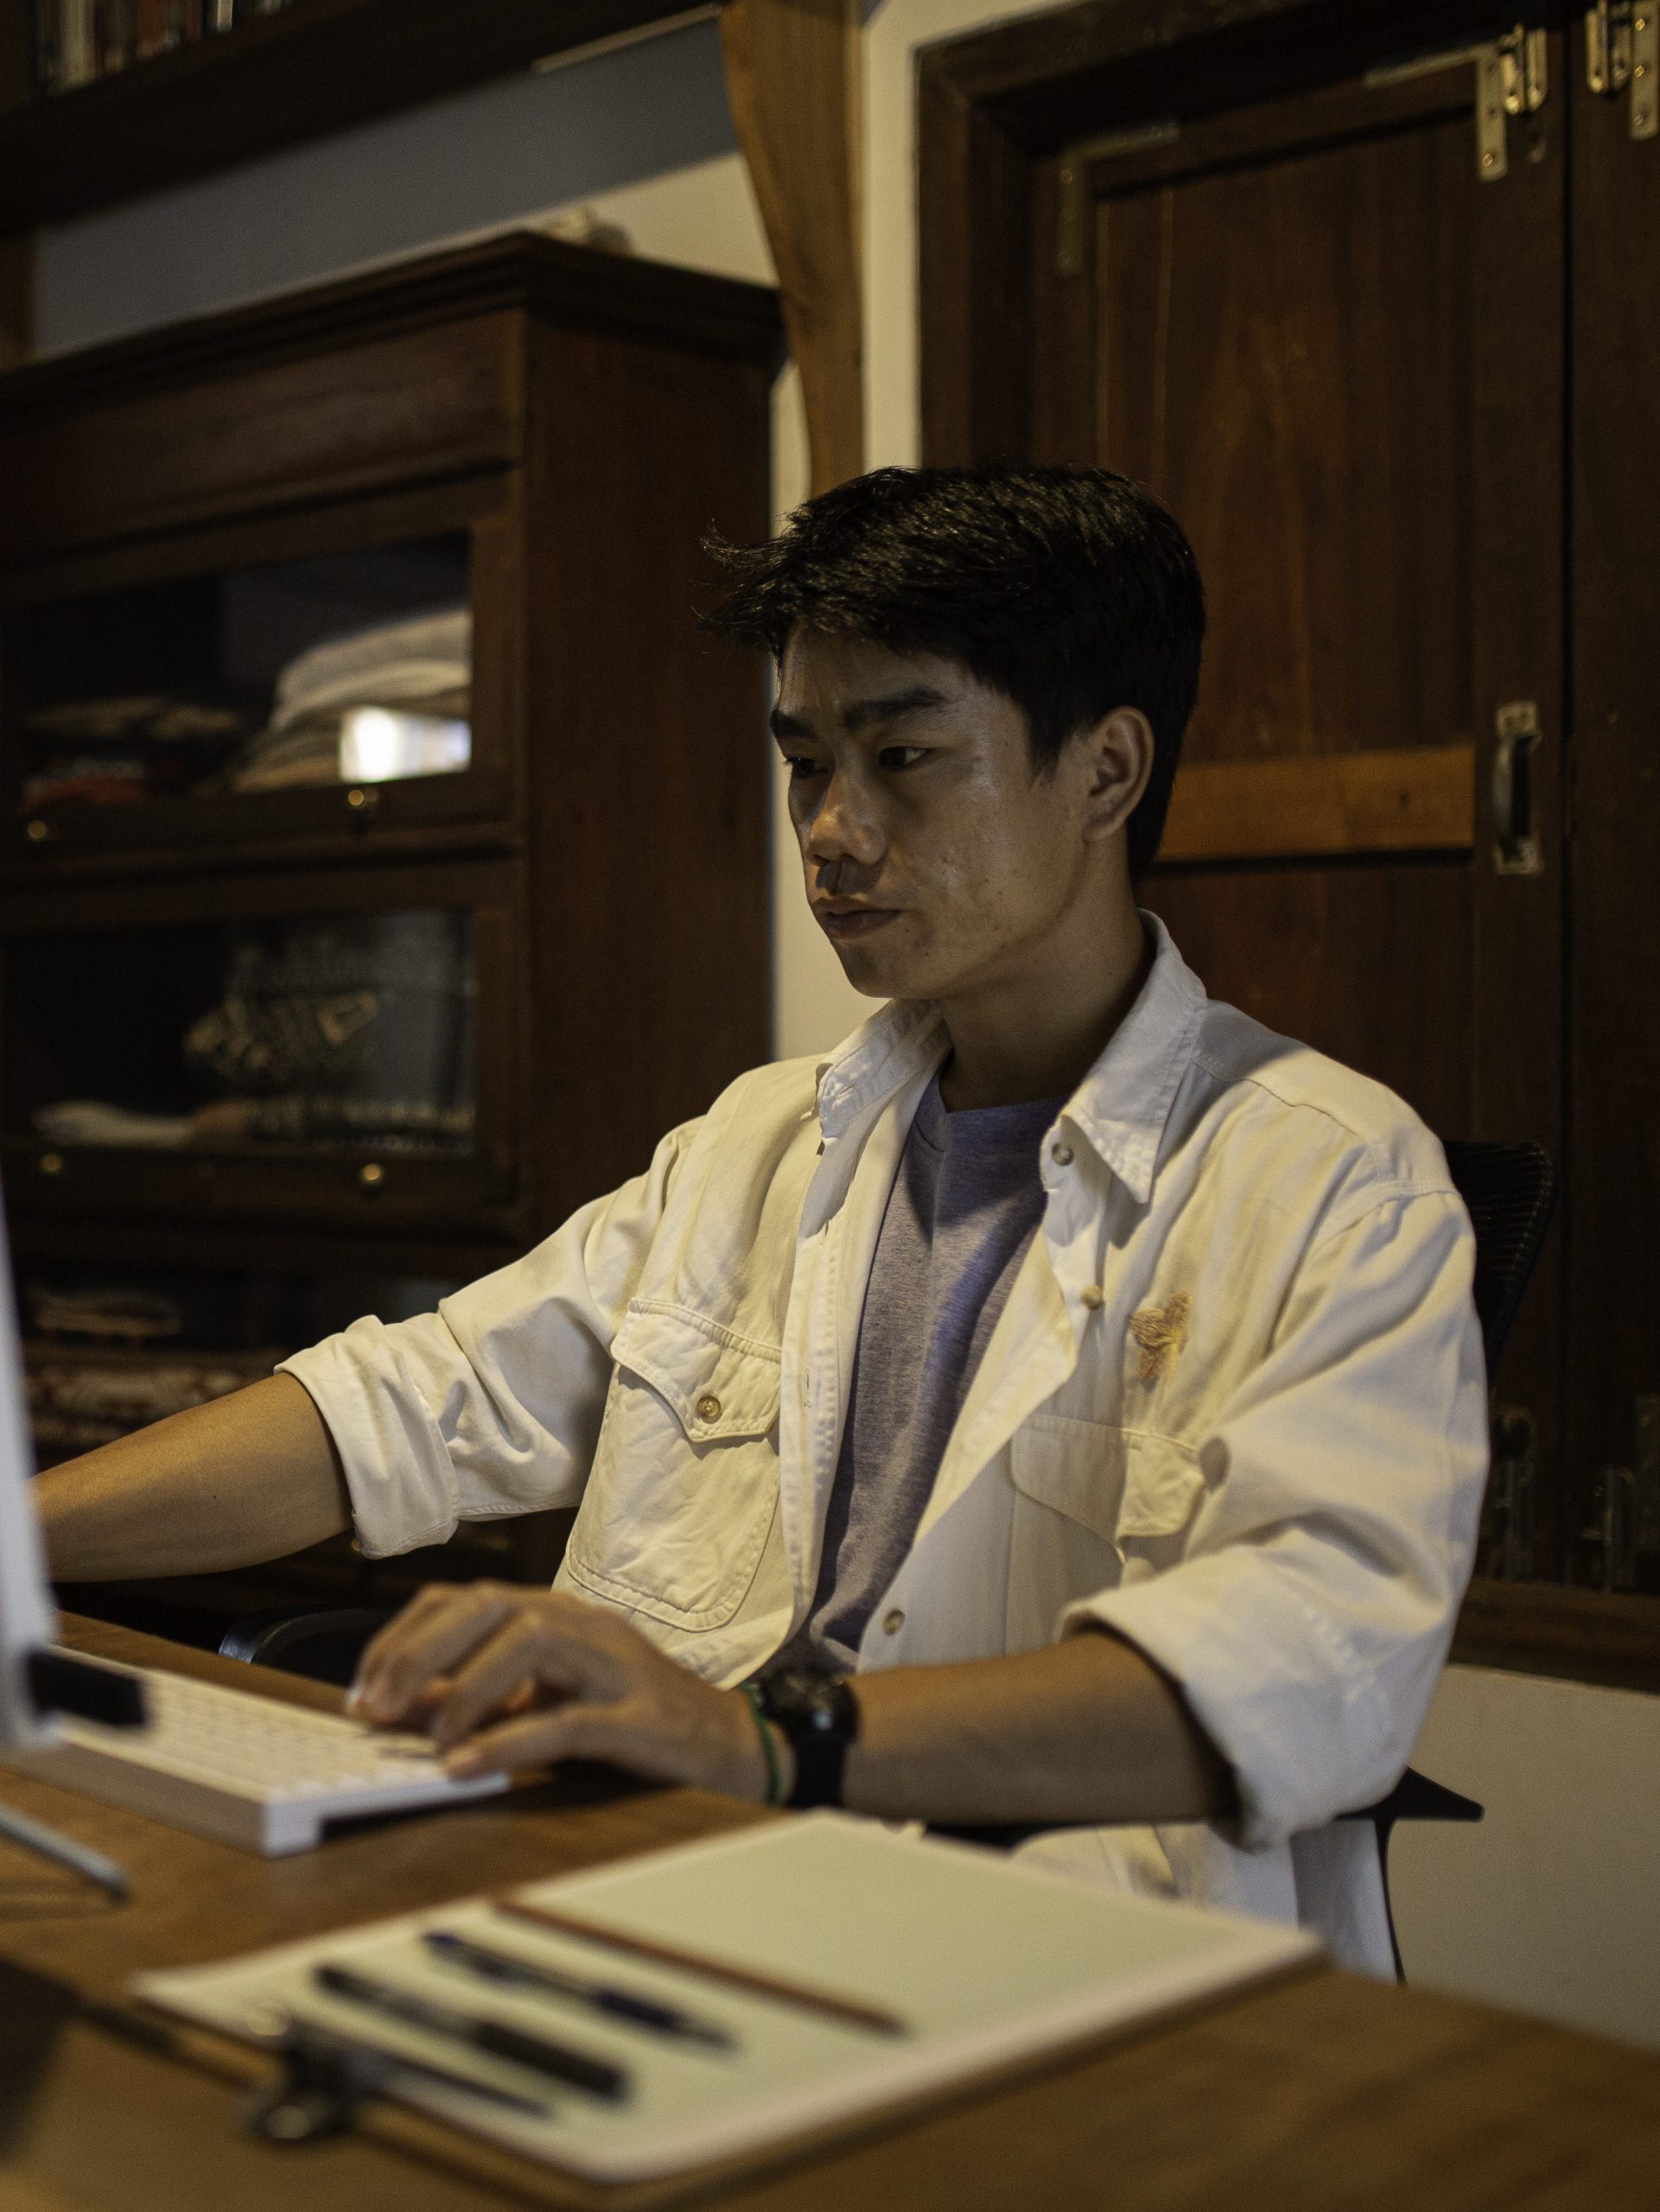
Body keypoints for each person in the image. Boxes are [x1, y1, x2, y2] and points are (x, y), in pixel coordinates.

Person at [39, 466, 1486, 1973]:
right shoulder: (765, 1141)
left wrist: (763, 1740)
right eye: (805, 763)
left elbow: (1306, 1670)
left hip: (1062, 1962)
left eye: (904, 756)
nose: (834, 831)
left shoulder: (1325, 1179)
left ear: (1106, 772)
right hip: (672, 1885)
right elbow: (415, 1401)